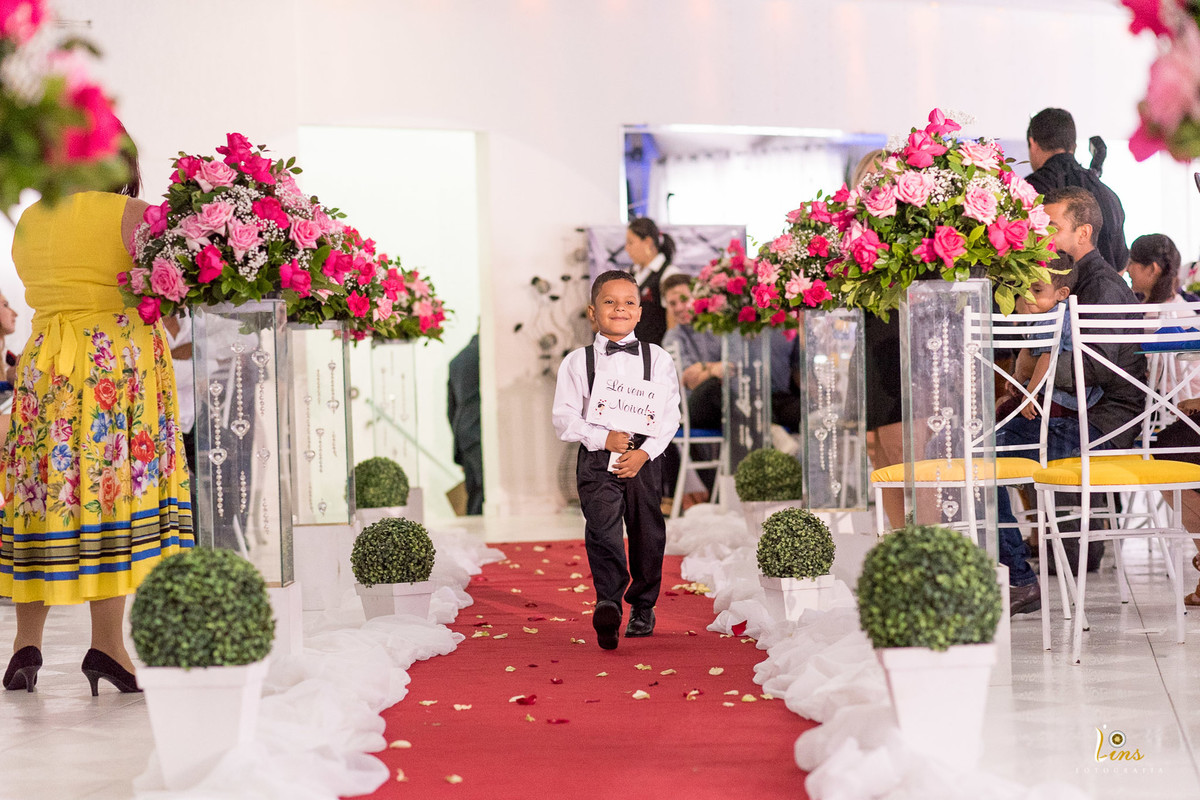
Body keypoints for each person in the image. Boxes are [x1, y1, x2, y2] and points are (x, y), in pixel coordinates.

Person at [1, 149, 194, 695]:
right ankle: (107, 643)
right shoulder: (134, 216)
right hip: (117, 367)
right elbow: (173, 300)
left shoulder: (31, 220)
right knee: (111, 493)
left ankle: (24, 644)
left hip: (45, 369)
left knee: (43, 491)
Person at [995, 186, 1143, 614]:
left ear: (1084, 232)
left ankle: (1020, 579)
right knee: (987, 446)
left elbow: (1091, 371)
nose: (1041, 234)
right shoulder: (1064, 279)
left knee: (984, 457)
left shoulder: (1102, 287)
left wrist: (1024, 373)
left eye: (1052, 226)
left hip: (1106, 423)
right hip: (1080, 413)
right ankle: (1044, 555)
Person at [552, 270, 680, 650]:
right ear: (593, 311)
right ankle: (608, 602)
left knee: (647, 531)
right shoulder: (577, 362)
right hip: (596, 458)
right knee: (603, 529)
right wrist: (602, 437)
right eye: (610, 302)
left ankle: (643, 605)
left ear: (640, 312)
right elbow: (564, 418)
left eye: (628, 303)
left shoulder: (656, 359)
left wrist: (644, 453)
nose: (619, 309)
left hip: (643, 457)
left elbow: (670, 415)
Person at [1131, 233, 1200, 603]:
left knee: (1167, 450)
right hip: (1181, 411)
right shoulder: (1188, 310)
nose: (1126, 270)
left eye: (1133, 263)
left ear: (1152, 269)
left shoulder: (1145, 316)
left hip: (1170, 416)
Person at [855, 149, 906, 528]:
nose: (877, 186)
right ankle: (898, 536)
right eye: (869, 179)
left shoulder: (910, 227)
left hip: (901, 337)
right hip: (869, 338)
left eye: (883, 177)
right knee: (879, 454)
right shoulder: (854, 230)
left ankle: (919, 539)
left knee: (901, 449)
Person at [999, 253, 1102, 420]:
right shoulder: (1047, 314)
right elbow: (1031, 349)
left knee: (1005, 412)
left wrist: (1030, 394)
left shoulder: (1053, 318)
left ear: (1061, 293)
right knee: (1006, 409)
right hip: (1057, 392)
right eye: (1024, 287)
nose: (1027, 295)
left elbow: (1047, 357)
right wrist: (1018, 377)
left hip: (1066, 399)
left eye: (1037, 290)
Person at [1026, 108, 1129, 271]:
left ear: (1033, 143)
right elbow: (1120, 266)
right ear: (1073, 145)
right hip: (1105, 293)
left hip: (1050, 294)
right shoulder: (1109, 195)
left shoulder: (1029, 191)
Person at [624, 218, 680, 346]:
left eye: (630, 242)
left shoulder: (668, 274)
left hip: (656, 353)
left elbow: (673, 323)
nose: (627, 248)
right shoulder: (629, 273)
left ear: (648, 242)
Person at [447, 332, 483, 515]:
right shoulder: (485, 355)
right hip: (480, 429)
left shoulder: (457, 360)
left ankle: (476, 531)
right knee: (484, 490)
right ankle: (483, 533)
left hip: (463, 431)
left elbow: (450, 408)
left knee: (474, 489)